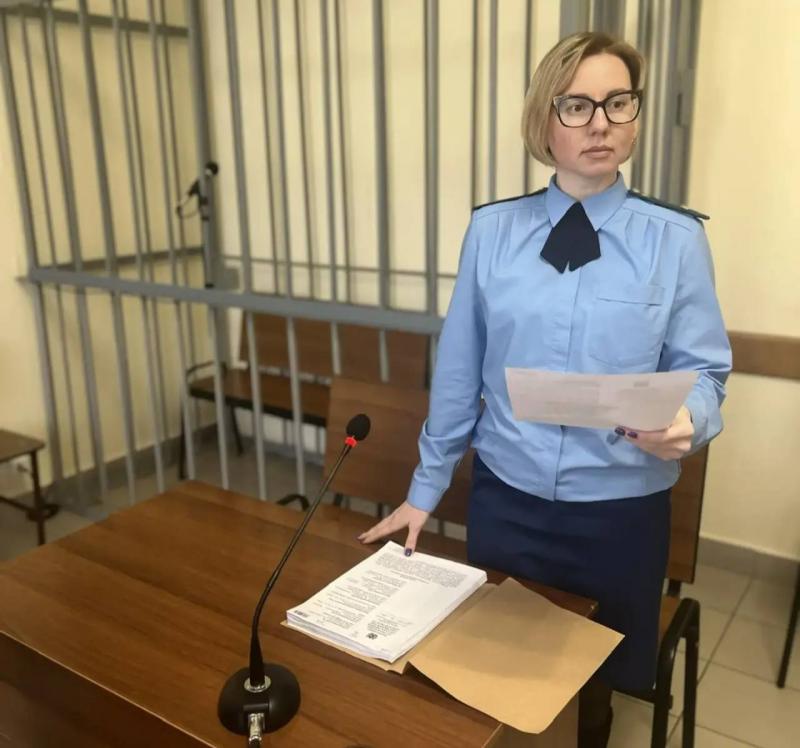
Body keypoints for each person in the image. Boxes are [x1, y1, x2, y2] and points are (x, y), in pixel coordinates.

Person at [357, 31, 731, 747]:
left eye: (618, 102)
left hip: (620, 514)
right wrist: (424, 489)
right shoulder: (493, 232)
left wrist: (692, 416)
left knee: (597, 696)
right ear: (544, 118)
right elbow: (460, 371)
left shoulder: (675, 241)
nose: (600, 123)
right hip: (509, 503)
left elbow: (707, 369)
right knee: (498, 683)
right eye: (577, 105)